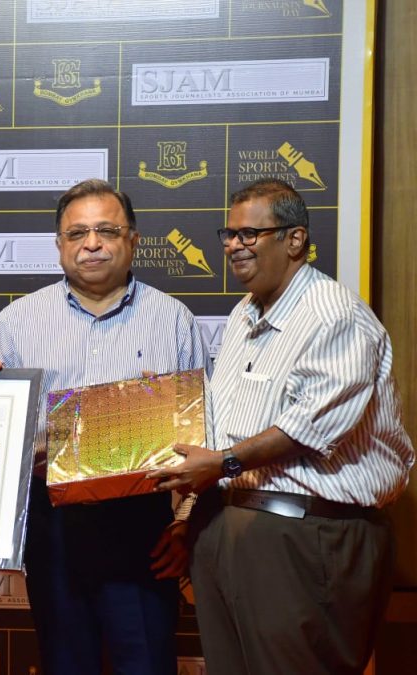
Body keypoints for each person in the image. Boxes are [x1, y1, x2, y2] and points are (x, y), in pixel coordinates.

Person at [150, 179, 414, 675]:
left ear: (294, 240)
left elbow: (310, 426)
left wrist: (223, 465)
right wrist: (191, 515)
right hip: (228, 527)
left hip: (307, 532)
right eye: (228, 234)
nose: (233, 245)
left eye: (249, 234)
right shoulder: (241, 315)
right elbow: (221, 426)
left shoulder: (334, 314)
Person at [0, 179, 211, 675]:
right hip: (53, 525)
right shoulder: (17, 323)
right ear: (59, 245)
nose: (92, 243)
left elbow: (207, 438)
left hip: (143, 526)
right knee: (64, 662)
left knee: (146, 662)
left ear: (134, 240)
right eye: (77, 233)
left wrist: (186, 520)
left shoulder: (174, 322)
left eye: (106, 230)